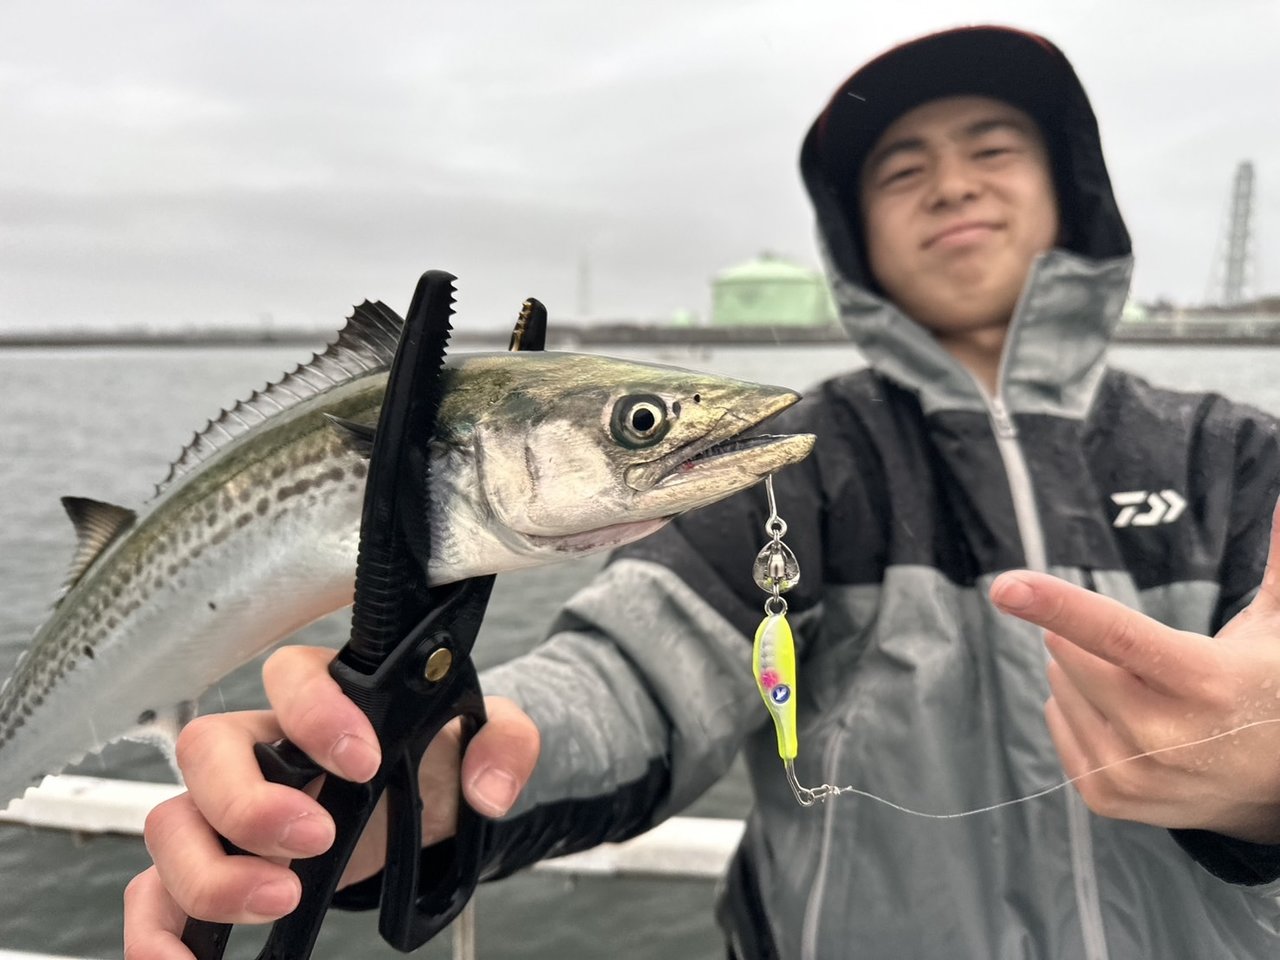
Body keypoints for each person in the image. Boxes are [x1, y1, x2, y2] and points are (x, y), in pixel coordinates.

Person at [124, 25, 1280, 960]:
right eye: (901, 170)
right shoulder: (802, 454)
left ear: (1069, 189)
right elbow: (630, 675)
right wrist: (435, 767)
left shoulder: (1233, 457)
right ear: (853, 234)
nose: (950, 187)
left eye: (990, 148)